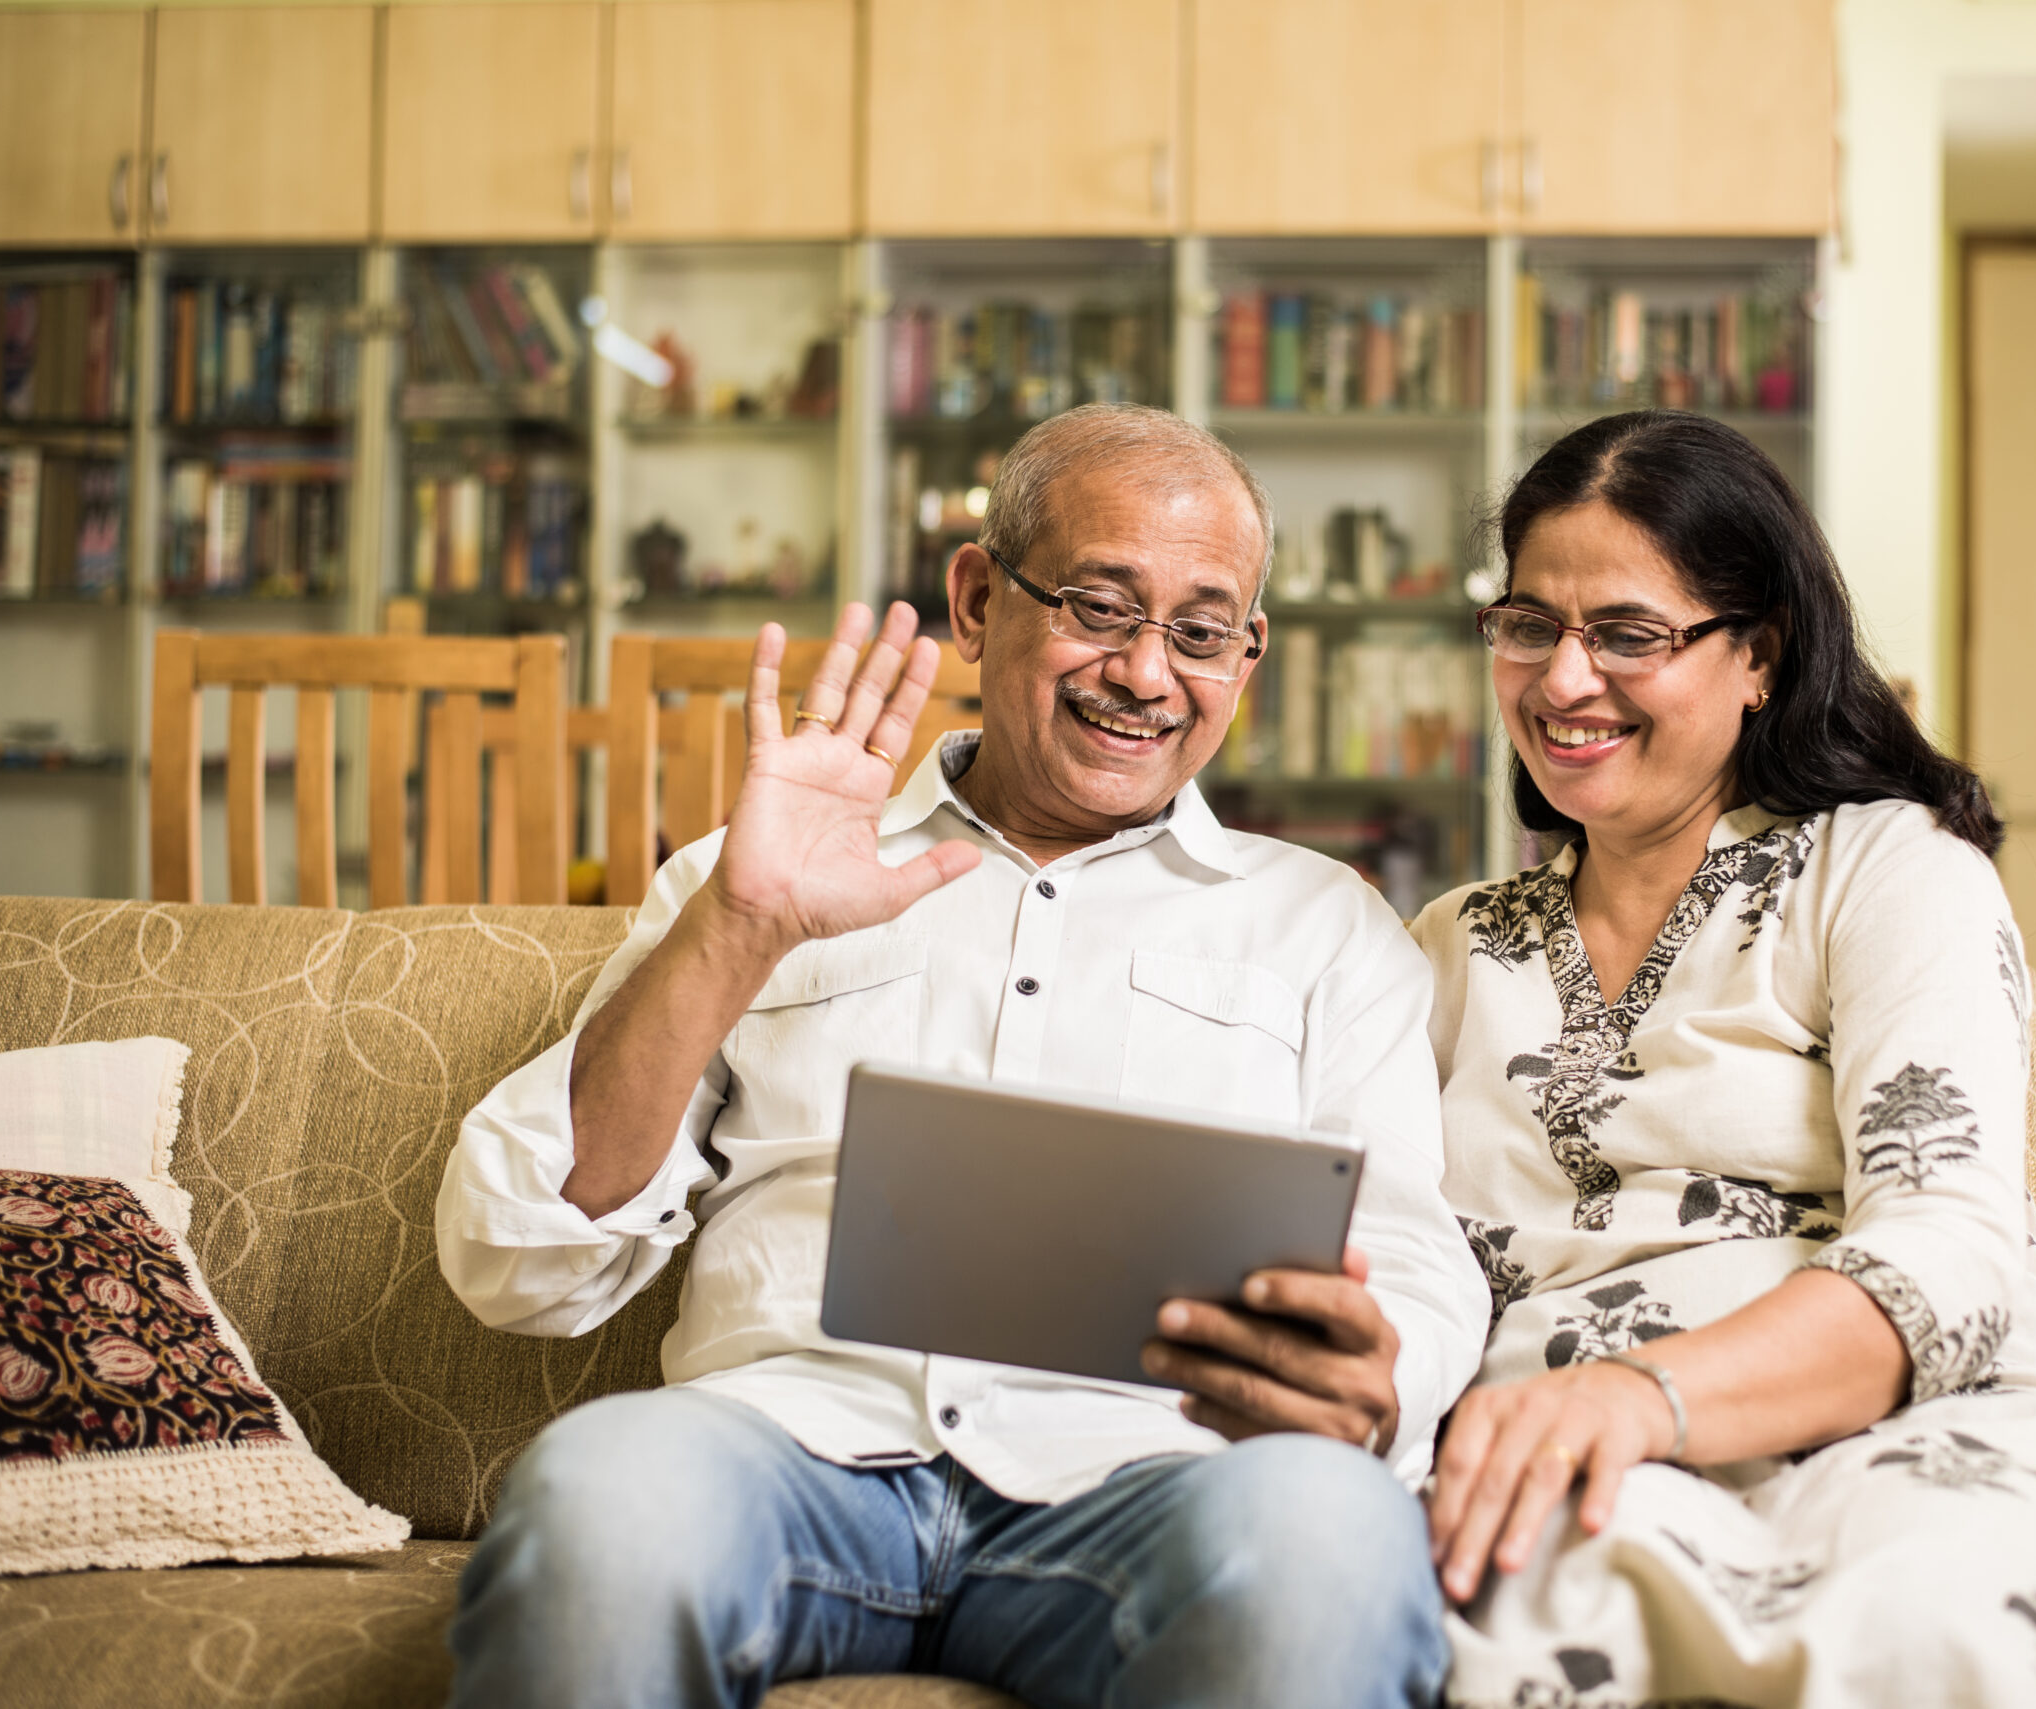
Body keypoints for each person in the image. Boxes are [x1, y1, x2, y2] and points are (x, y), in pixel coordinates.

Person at [435, 403, 1488, 1709]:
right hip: (791, 1450)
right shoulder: (758, 874)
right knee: (598, 1500)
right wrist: (736, 930)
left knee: (1329, 1538)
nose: (1148, 673)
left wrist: (1376, 1373)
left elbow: (1421, 1266)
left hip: (1154, 1482)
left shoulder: (1327, 927)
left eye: (1202, 632)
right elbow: (513, 1257)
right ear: (980, 600)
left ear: (1247, 652)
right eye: (1100, 608)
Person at [1411, 411, 2036, 1709]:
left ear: (1758, 656)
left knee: (1927, 1623)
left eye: (1627, 632)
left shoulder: (1886, 869)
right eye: (1529, 624)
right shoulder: (1449, 949)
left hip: (1917, 1421)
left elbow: (1952, 1248)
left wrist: (1644, 1394)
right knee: (1466, 1602)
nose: (1564, 678)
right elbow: (1392, 1256)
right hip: (1563, 1443)